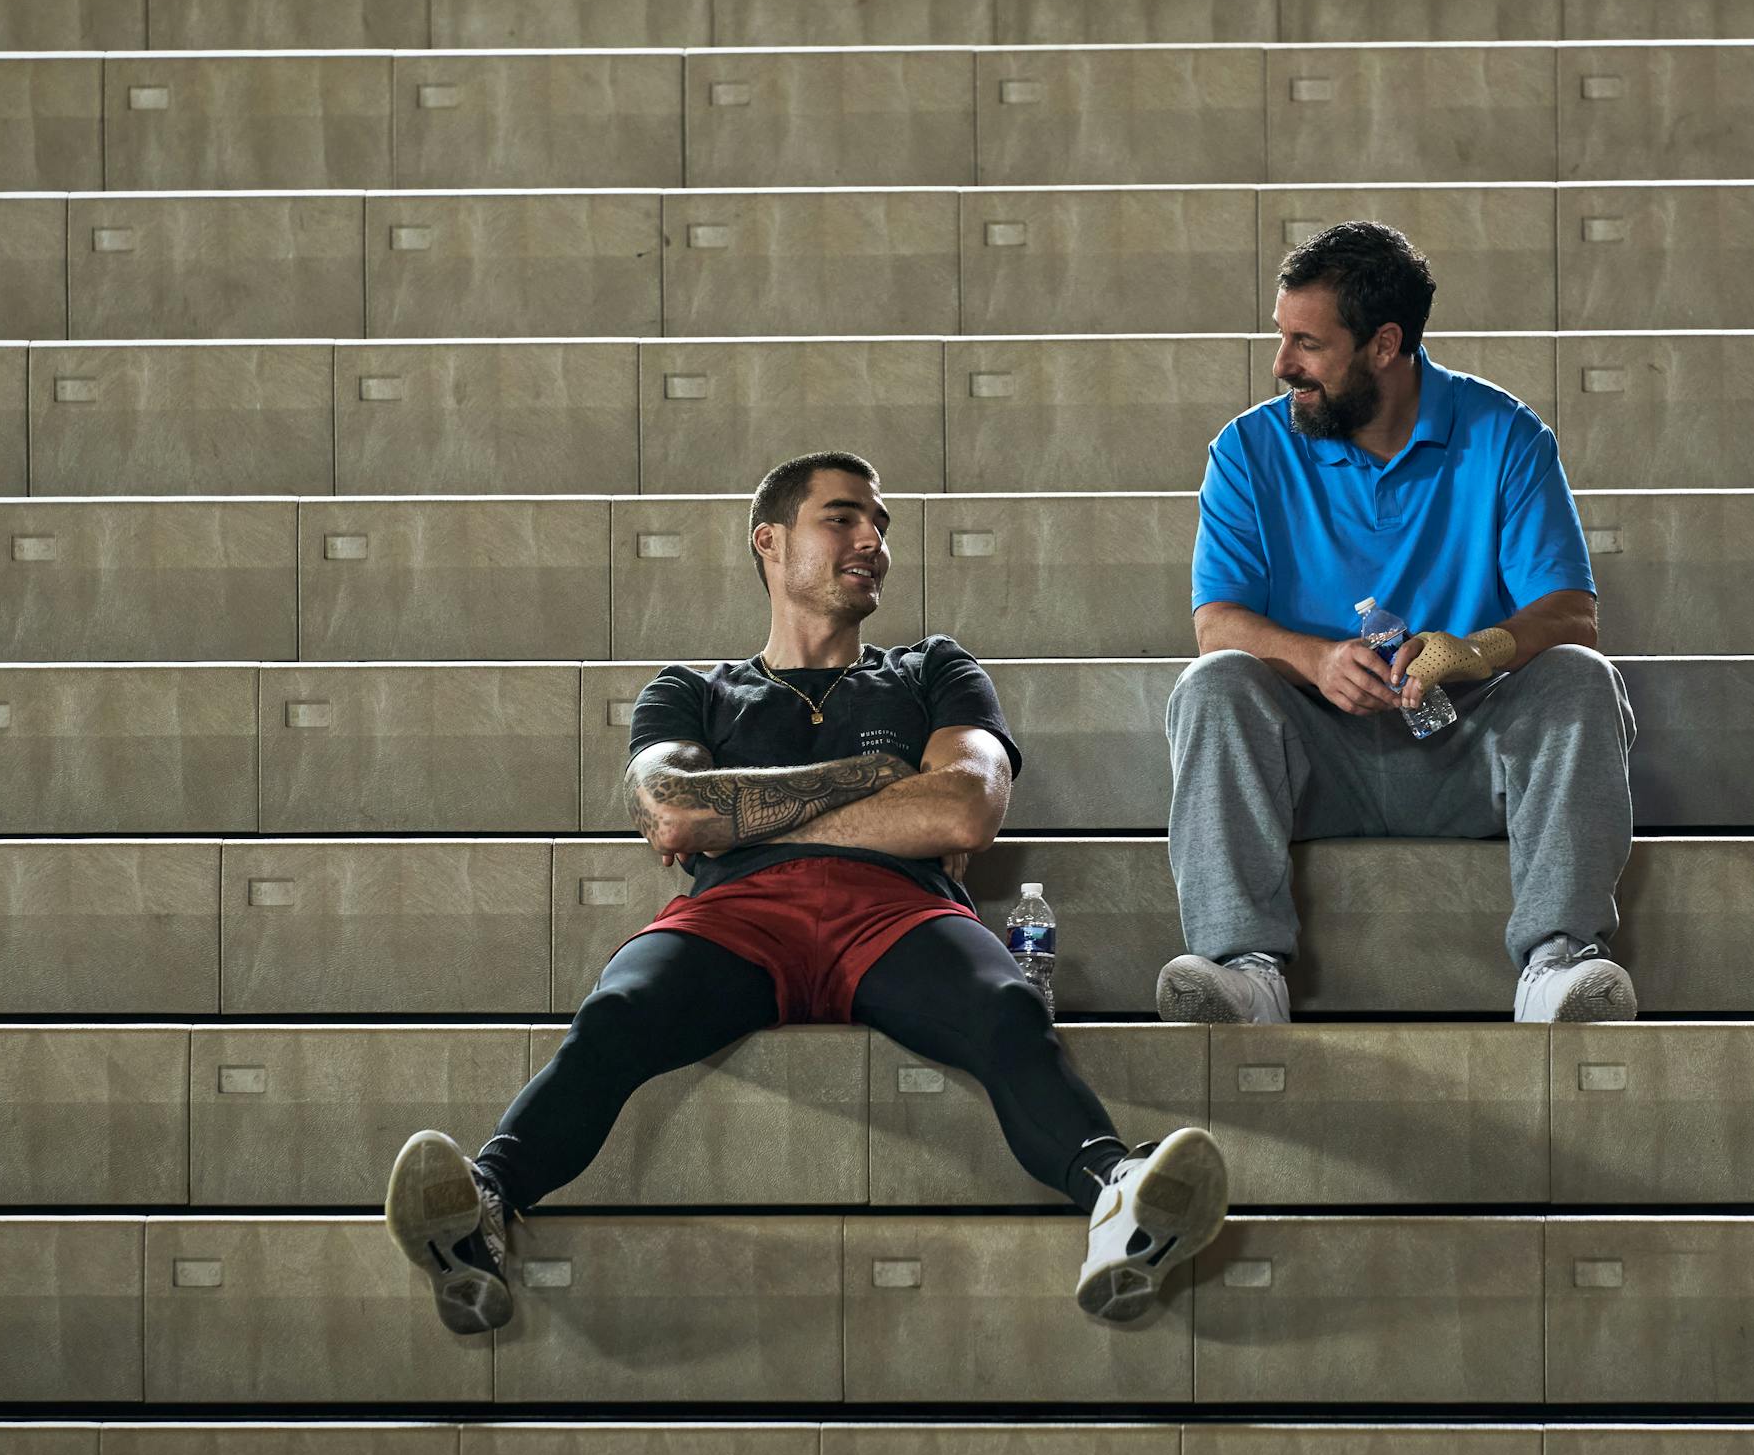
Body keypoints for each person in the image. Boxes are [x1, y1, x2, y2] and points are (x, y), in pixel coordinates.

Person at [385, 451, 1229, 1334]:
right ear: (771, 541)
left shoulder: (933, 671)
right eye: (843, 517)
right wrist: (873, 777)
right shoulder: (690, 692)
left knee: (1004, 1008)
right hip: (734, 921)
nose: (874, 540)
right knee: (619, 1014)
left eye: (881, 525)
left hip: (897, 913)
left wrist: (747, 814)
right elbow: (672, 813)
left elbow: (966, 809)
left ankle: (1119, 1200)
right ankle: (482, 1208)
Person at [1160, 221, 1640, 1027]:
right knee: (1215, 683)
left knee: (1581, 677)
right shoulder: (1247, 451)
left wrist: (1477, 649)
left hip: (1466, 753)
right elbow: (1218, 624)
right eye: (1283, 338)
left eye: (1307, 344)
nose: (1282, 366)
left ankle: (1558, 963)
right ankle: (1244, 969)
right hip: (1312, 762)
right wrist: (1314, 660)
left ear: (1385, 345)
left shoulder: (1507, 436)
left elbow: (1573, 614)